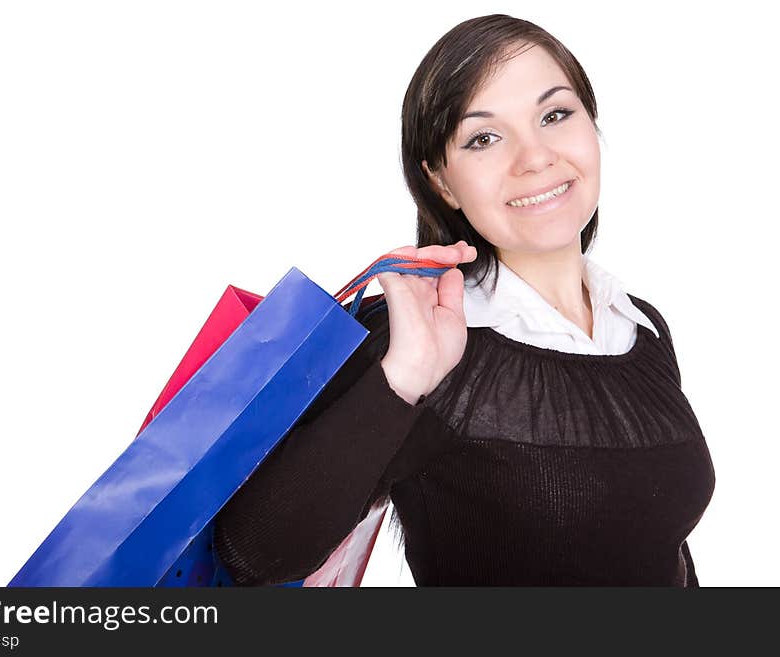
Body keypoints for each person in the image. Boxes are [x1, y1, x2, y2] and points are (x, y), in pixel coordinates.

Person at [212, 14, 715, 586]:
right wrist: (404, 375)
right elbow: (254, 553)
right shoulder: (421, 341)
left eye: (555, 115)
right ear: (442, 183)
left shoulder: (641, 327)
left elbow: (660, 545)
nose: (535, 157)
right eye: (484, 138)